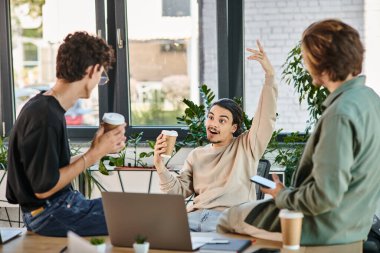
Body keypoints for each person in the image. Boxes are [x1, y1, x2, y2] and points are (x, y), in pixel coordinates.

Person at [218, 19, 380, 246]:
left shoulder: (340, 114)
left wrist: (282, 195)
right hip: (355, 223)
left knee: (227, 218)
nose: (304, 63)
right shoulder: (371, 100)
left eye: (306, 57)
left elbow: (324, 197)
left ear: (320, 61)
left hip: (321, 226)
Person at [6, 32, 126, 237]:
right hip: (49, 213)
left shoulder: (45, 106)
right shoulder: (45, 116)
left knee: (128, 206)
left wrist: (95, 149)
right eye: (101, 73)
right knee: (136, 215)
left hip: (57, 208)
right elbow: (43, 188)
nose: (99, 80)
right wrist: (94, 155)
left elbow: (49, 171)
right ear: (92, 70)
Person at [153, 40, 278, 232]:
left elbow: (265, 117)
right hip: (193, 217)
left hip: (228, 220)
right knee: (154, 236)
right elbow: (177, 192)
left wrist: (269, 76)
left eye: (222, 120)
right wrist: (160, 166)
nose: (213, 124)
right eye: (211, 118)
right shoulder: (196, 155)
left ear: (234, 127)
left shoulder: (247, 146)